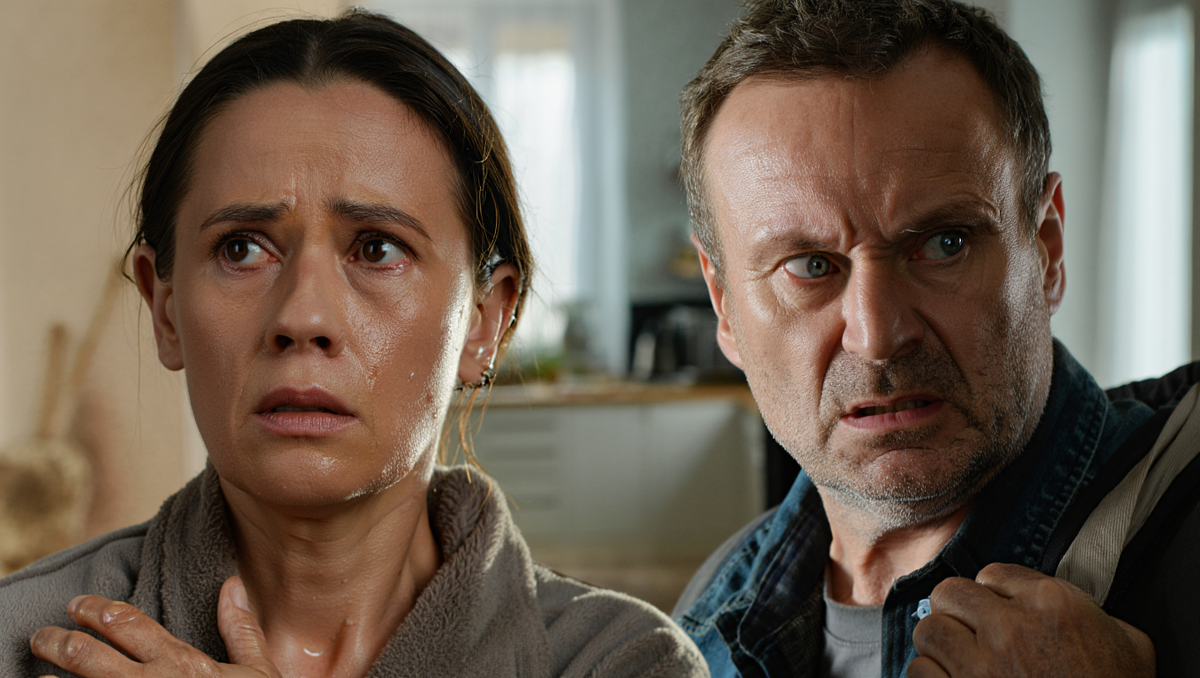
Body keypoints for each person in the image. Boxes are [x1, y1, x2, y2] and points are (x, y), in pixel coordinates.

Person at [0, 10, 708, 678]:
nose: (302, 315)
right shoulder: (18, 642)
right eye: (242, 248)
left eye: (377, 248)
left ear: (486, 319)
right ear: (165, 309)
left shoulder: (622, 661)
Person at [670, 1, 1200, 676]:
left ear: (1046, 249)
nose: (878, 337)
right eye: (810, 267)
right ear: (724, 305)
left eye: (944, 244)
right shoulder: (706, 620)